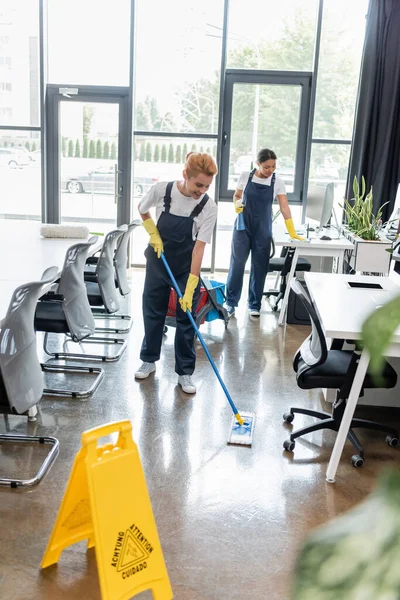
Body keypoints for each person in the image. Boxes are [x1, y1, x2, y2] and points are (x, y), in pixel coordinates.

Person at [135, 152, 218, 394]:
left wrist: (192, 283)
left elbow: (199, 248)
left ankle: (185, 373)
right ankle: (148, 360)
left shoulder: (208, 206)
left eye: (206, 186)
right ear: (185, 175)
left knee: (187, 319)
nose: (201, 190)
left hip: (186, 265)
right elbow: (142, 209)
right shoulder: (163, 190)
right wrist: (153, 233)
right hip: (158, 259)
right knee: (153, 311)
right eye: (198, 184)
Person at [225, 148, 304, 318]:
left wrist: (292, 230)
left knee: (260, 266)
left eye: (273, 167)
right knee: (237, 265)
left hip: (263, 229)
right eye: (267, 167)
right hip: (242, 227)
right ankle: (230, 303)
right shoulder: (246, 176)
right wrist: (236, 204)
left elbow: (284, 207)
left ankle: (255, 304)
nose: (270, 170)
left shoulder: (277, 182)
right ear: (258, 164)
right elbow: (237, 195)